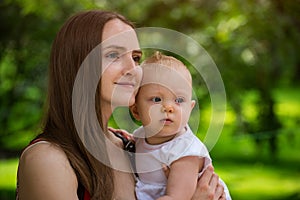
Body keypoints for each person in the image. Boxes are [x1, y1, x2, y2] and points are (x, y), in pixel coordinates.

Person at [16, 10, 225, 200]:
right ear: (78, 64)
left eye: (135, 57)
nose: (133, 69)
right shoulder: (48, 160)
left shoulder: (131, 144)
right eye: (113, 55)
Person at [130, 51, 231, 200]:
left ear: (189, 109)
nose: (169, 107)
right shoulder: (139, 137)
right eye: (157, 99)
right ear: (136, 111)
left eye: (179, 100)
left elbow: (175, 198)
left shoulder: (186, 151)